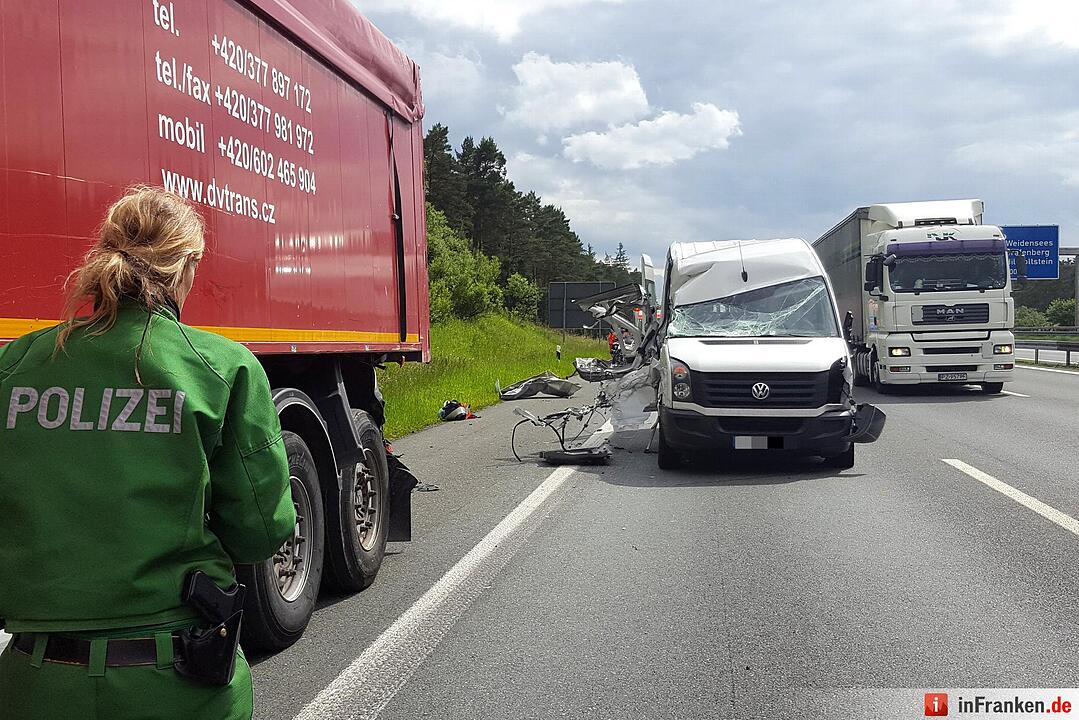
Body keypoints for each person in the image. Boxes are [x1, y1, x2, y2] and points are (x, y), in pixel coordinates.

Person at [0, 187, 296, 719]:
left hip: (34, 681)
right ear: (186, 265)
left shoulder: (15, 365)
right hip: (177, 681)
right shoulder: (223, 367)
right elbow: (260, 531)